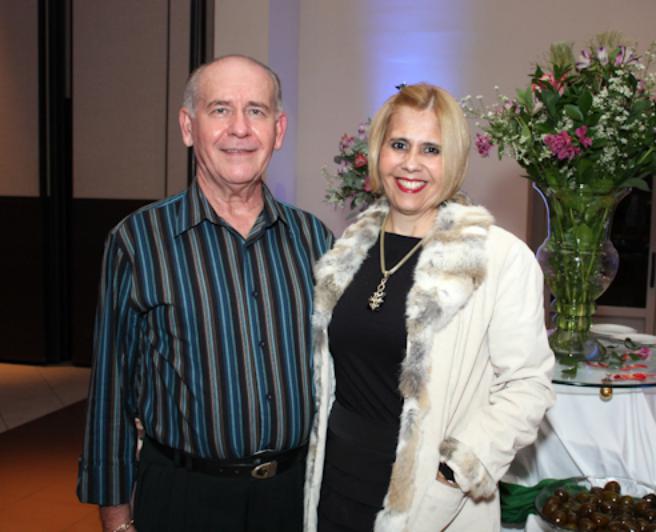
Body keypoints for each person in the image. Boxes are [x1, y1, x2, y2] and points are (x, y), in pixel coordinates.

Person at [77, 55, 333, 532]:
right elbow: (111, 393)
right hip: (184, 499)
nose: (240, 128)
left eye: (256, 111)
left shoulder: (315, 240)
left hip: (294, 499)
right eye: (219, 109)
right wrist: (117, 521)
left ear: (278, 131)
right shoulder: (138, 241)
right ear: (187, 127)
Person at [303, 83, 556, 532]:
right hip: (336, 488)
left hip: (430, 502)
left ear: (454, 160)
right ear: (378, 151)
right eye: (399, 144)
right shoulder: (348, 250)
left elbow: (527, 386)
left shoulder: (497, 257)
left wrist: (455, 470)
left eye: (431, 149)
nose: (411, 163)